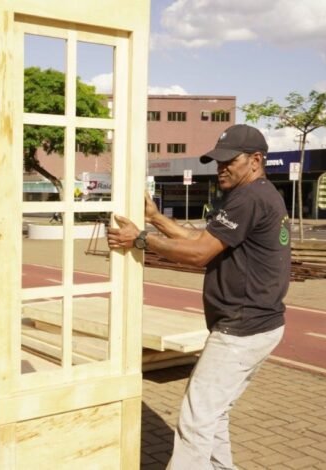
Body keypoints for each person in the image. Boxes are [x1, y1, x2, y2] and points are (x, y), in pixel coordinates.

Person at [107, 124, 290, 469]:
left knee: (196, 419)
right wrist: (156, 218)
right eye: (217, 162)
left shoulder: (249, 197)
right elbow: (201, 240)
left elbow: (198, 255)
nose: (220, 168)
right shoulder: (257, 194)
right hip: (258, 324)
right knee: (214, 413)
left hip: (243, 327)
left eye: (228, 161)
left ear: (255, 160)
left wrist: (139, 239)